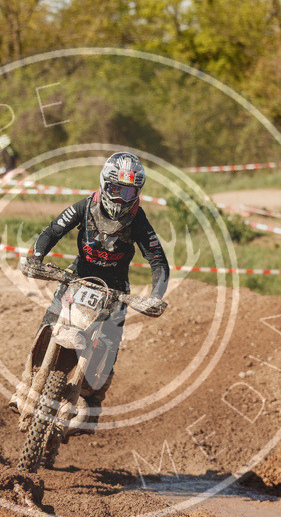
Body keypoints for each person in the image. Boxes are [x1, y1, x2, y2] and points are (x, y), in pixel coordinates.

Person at [11, 151, 169, 432]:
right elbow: (52, 231)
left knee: (110, 344)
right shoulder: (84, 207)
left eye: (128, 191)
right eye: (114, 189)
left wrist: (156, 296)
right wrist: (36, 257)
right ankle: (24, 384)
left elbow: (158, 261)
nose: (120, 198)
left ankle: (94, 402)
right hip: (78, 277)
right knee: (48, 323)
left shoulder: (138, 220)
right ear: (103, 185)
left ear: (137, 192)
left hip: (117, 288)